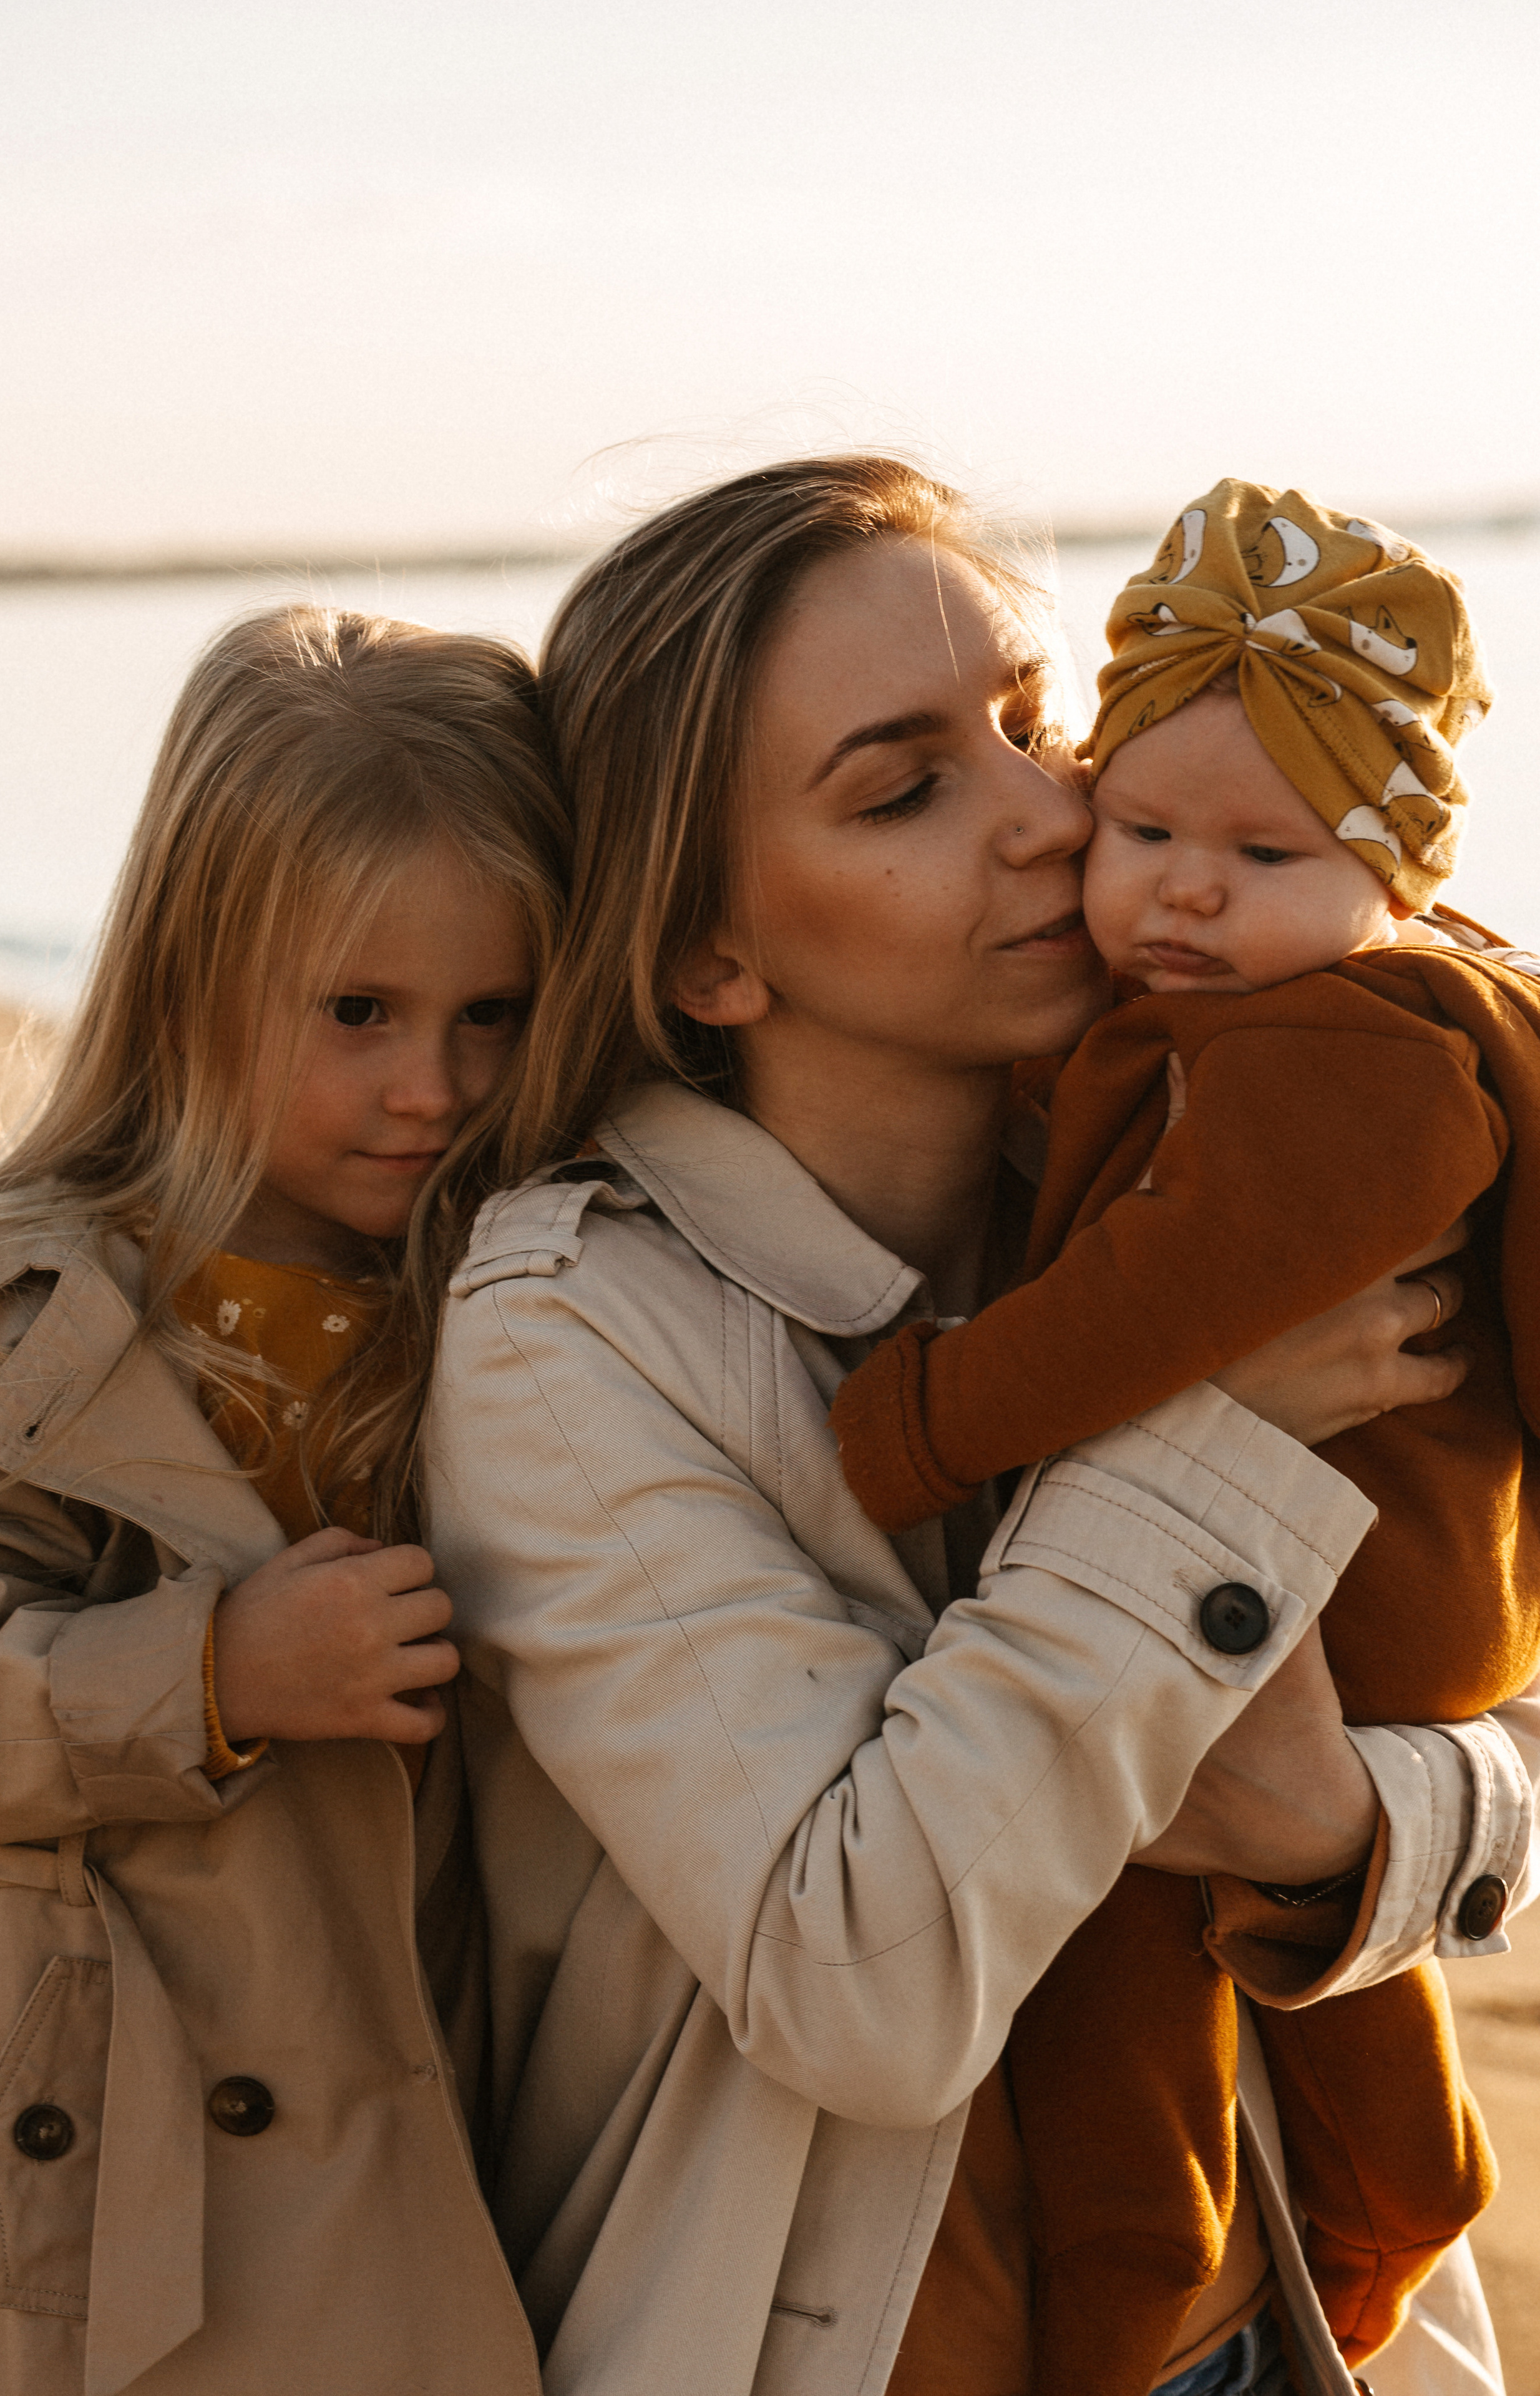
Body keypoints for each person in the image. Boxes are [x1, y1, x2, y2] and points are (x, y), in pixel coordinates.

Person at [421, 457, 1535, 2396]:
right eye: (908, 784)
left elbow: (1498, 1675)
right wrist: (1200, 1443)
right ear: (712, 955)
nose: (1050, 816)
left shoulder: (1220, 1167)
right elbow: (861, 1986)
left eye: (1035, 720)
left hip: (1299, 2324)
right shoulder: (575, 1335)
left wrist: (1350, 1829)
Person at [827, 477, 1540, 2389]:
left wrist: (919, 1424)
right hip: (1342, 1585)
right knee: (1267, 1948)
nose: (1185, 889)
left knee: (1145, 1989)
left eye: (1266, 851)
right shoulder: (1265, 1018)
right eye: (1141, 828)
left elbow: (1146, 1310)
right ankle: (1374, 2200)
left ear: (1397, 878)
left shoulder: (1352, 1060)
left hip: (1338, 1578)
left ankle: (1158, 2288)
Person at [0, 606, 568, 2394]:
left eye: (491, 1016)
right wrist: (212, 1672)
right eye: (358, 1012)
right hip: (119, 2200)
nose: (431, 1086)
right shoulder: (11, 1308)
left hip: (430, 2123)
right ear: (190, 972)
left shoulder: (521, 1300)